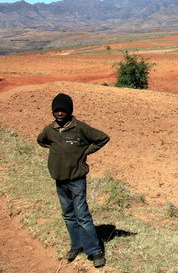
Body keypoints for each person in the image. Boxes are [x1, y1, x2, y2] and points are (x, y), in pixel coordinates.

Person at [36, 93, 110, 268]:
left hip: (76, 179)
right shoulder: (49, 130)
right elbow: (40, 140)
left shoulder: (80, 128)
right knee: (68, 214)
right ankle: (76, 245)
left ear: (70, 111)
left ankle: (94, 251)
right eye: (56, 111)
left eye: (63, 110)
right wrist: (52, 147)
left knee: (82, 215)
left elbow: (102, 138)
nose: (59, 114)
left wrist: (86, 152)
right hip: (59, 179)